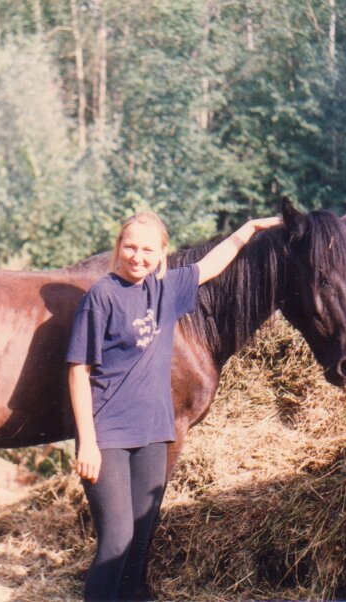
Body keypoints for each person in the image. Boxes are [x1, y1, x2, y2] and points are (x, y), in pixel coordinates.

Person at [66, 211, 281, 601]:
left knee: (140, 539)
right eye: (130, 246)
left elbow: (210, 265)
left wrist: (248, 230)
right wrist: (87, 443)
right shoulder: (102, 295)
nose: (138, 256)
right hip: (108, 436)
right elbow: (79, 370)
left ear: (162, 253)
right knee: (116, 540)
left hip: (154, 433)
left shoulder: (166, 290)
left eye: (148, 249)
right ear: (118, 247)